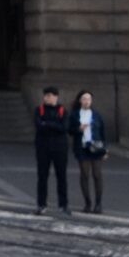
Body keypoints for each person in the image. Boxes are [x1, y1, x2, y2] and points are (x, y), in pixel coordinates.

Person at [34, 85, 71, 216]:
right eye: (45, 96)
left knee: (61, 176)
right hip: (43, 147)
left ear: (56, 97)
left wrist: (48, 124)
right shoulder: (39, 110)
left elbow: (64, 128)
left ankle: (63, 204)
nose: (47, 98)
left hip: (60, 148)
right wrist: (54, 125)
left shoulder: (62, 111)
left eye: (49, 96)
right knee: (42, 176)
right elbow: (39, 125)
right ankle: (41, 204)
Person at [69, 90, 107, 214]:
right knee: (85, 174)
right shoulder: (74, 115)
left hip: (96, 147)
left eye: (89, 99)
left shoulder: (96, 115)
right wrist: (78, 129)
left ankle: (98, 203)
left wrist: (105, 149)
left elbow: (102, 133)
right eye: (84, 99)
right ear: (80, 100)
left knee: (97, 174)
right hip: (82, 147)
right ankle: (88, 203)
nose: (86, 101)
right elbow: (69, 130)